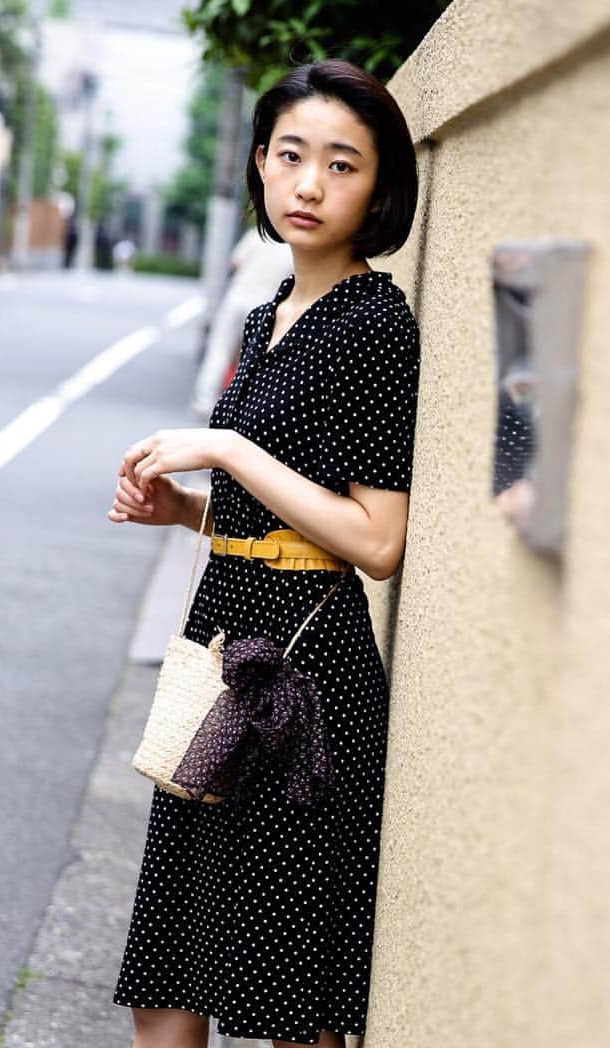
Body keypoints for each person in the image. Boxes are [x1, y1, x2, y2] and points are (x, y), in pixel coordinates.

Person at [107, 57, 421, 1048]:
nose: (311, 184)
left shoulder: (376, 328)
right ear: (260, 164)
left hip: (309, 681)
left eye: (342, 164)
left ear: (379, 189)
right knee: (170, 970)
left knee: (291, 998)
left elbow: (375, 539)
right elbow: (277, 523)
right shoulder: (266, 314)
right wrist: (189, 518)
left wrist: (228, 447)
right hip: (221, 653)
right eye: (291, 156)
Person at [190, 224, 296, 420]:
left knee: (219, 351)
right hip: (265, 305)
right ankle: (245, 408)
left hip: (237, 298)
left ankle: (204, 402)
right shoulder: (294, 247)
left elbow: (235, 262)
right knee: (254, 359)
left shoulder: (257, 235)